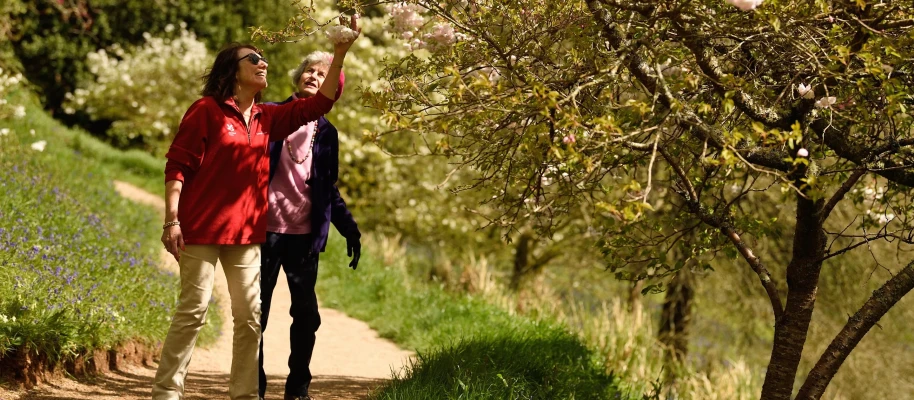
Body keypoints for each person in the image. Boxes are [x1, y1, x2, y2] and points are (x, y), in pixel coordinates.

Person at [154, 15, 361, 400]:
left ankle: (245, 396)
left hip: (247, 236)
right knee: (192, 313)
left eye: (264, 58)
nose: (263, 62)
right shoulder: (205, 111)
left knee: (249, 320)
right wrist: (172, 220)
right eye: (253, 58)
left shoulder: (269, 118)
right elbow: (177, 165)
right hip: (200, 231)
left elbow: (321, 102)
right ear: (232, 71)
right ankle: (167, 392)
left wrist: (340, 53)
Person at [258, 51, 362, 400]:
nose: (314, 76)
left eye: (323, 74)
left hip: (303, 239)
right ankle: (251, 385)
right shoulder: (268, 114)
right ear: (299, 75)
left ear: (331, 90)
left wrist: (349, 229)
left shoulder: (328, 134)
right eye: (309, 71)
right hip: (263, 233)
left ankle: (298, 388)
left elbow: (326, 187)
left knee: (306, 315)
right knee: (255, 312)